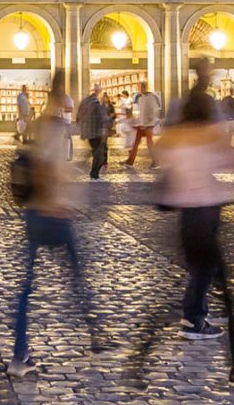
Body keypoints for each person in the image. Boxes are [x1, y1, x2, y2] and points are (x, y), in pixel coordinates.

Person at [154, 86, 234, 383]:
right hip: (206, 221)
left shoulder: (176, 138)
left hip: (186, 224)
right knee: (228, 296)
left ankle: (141, 358)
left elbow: (156, 155)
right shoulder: (208, 137)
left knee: (203, 279)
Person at [9, 70, 105, 378]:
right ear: (61, 96)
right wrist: (55, 203)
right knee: (77, 275)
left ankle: (21, 353)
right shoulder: (52, 126)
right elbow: (45, 167)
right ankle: (94, 335)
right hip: (49, 214)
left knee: (29, 286)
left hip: (35, 212)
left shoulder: (40, 124)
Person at [76, 82, 111, 181]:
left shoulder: (86, 101)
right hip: (96, 132)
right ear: (98, 91)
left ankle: (93, 173)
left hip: (89, 132)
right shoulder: (96, 102)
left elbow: (79, 114)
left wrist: (81, 127)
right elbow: (101, 118)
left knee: (96, 151)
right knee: (99, 154)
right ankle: (94, 175)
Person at [126, 81, 161, 168]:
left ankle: (155, 162)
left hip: (147, 126)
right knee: (138, 143)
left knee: (147, 144)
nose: (140, 89)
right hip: (142, 125)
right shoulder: (141, 98)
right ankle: (130, 162)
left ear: (145, 87)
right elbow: (142, 112)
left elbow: (152, 112)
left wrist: (146, 122)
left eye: (141, 87)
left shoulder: (151, 97)